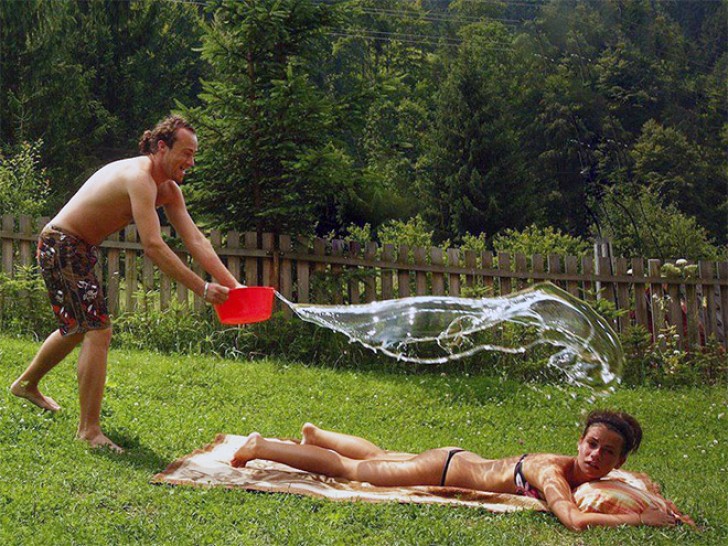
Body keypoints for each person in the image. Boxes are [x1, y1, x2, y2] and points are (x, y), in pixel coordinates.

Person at [11, 115, 240, 452]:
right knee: (97, 329)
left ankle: (26, 384)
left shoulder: (169, 191)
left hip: (77, 248)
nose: (191, 162)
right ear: (161, 147)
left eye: (194, 155)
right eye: (186, 153)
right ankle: (89, 431)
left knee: (78, 326)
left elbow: (196, 240)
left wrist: (235, 287)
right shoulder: (139, 178)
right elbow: (153, 245)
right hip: (62, 244)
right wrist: (203, 289)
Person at [231, 410, 695, 531]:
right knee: (353, 471)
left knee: (384, 456)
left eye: (607, 452)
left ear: (620, 461)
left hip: (453, 460)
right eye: (591, 445)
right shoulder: (552, 474)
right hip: (446, 470)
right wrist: (640, 519)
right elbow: (573, 520)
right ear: (579, 442)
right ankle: (263, 448)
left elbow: (634, 488)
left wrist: (665, 509)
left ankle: (317, 435)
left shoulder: (597, 475)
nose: (596, 456)